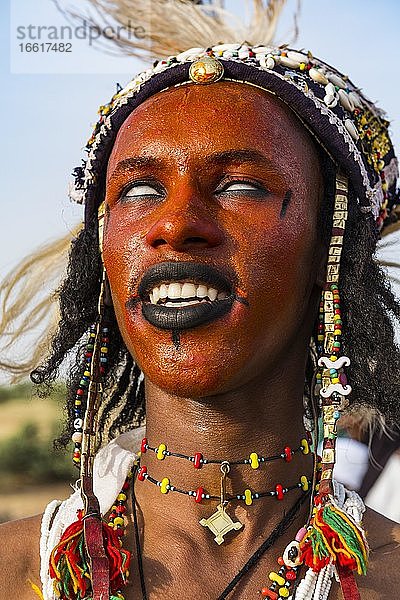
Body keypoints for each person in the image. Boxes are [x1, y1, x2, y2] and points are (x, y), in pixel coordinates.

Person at [0, 3, 400, 599]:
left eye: (241, 185)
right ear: (102, 251)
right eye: (139, 191)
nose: (177, 224)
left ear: (328, 250)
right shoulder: (15, 572)